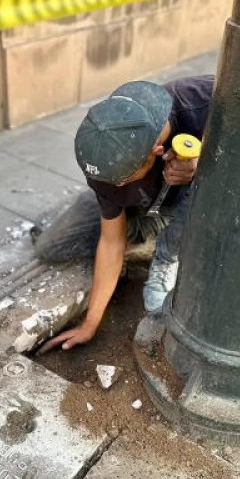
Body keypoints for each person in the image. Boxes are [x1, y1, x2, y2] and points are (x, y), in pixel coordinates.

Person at [35, 76, 214, 353]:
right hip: (143, 207)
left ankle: (168, 254)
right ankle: (147, 232)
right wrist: (90, 323)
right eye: (107, 180)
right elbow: (110, 242)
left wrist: (204, 164)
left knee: (206, 188)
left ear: (156, 152)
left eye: (120, 179)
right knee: (51, 247)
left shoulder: (205, 103)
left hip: (190, 204)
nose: (113, 185)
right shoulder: (104, 140)